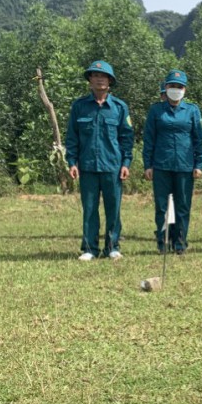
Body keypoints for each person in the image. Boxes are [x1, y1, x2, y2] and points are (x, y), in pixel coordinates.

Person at [66, 60, 134, 261]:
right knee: (89, 208)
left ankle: (113, 247)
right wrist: (72, 162)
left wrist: (126, 163)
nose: (99, 79)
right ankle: (89, 248)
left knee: (113, 207)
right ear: (89, 80)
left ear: (110, 81)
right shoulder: (79, 107)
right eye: (95, 76)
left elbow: (127, 137)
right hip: (87, 166)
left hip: (113, 165)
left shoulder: (120, 107)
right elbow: (72, 137)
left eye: (103, 76)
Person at [143, 69, 202, 254]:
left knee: (183, 206)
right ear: (166, 87)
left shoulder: (192, 110)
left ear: (184, 89)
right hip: (161, 165)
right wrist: (148, 165)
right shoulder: (156, 110)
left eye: (179, 86)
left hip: (185, 166)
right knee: (162, 206)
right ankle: (163, 241)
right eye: (172, 86)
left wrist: (199, 164)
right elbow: (149, 139)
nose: (175, 89)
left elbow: (198, 140)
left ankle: (180, 242)